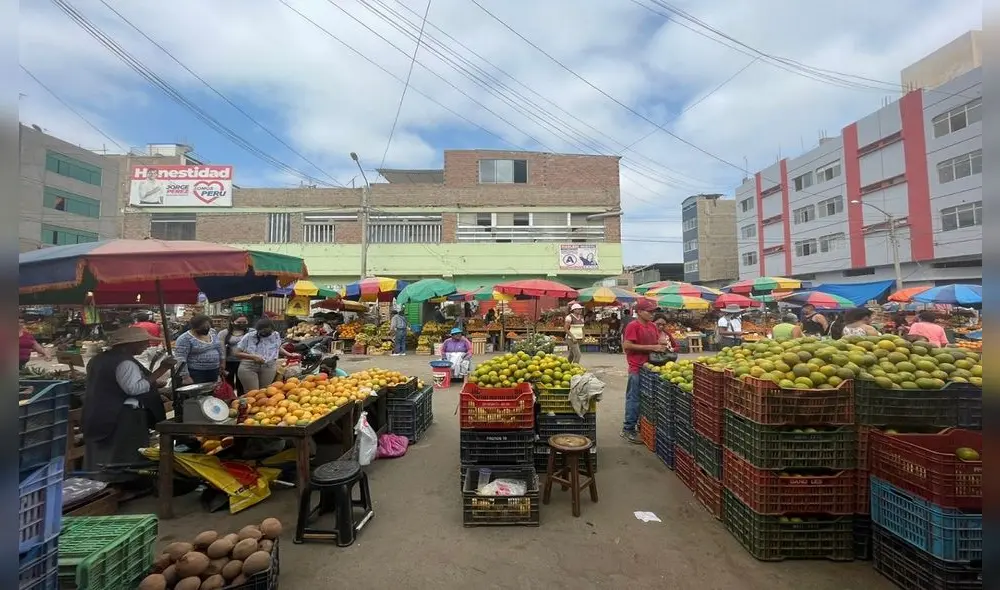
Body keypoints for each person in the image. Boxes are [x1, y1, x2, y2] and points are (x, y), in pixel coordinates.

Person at [82, 327, 175, 478]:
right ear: (130, 344)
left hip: (99, 410)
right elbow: (135, 389)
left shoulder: (98, 359)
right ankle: (121, 482)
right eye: (143, 342)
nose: (147, 345)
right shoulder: (125, 363)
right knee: (125, 451)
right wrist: (162, 370)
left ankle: (100, 478)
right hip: (122, 414)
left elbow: (110, 382)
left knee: (103, 451)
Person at [621, 298, 665, 444]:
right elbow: (627, 345)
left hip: (650, 368)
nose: (652, 314)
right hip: (636, 367)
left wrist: (661, 345)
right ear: (639, 312)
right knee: (634, 399)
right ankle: (628, 429)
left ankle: (642, 426)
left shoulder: (652, 326)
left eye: (654, 311)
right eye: (649, 311)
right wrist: (652, 348)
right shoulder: (633, 326)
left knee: (647, 400)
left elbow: (657, 343)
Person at [235, 318, 296, 391]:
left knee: (264, 392)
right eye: (262, 332)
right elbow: (237, 353)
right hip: (249, 367)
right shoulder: (249, 336)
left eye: (268, 332)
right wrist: (253, 357)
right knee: (253, 393)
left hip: (269, 366)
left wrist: (289, 354)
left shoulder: (275, 335)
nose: (265, 334)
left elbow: (276, 347)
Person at [173, 314, 222, 385]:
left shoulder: (212, 332)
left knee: (212, 392)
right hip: (196, 372)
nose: (206, 328)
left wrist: (222, 362)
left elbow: (218, 347)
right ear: (194, 327)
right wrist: (185, 376)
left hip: (214, 370)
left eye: (208, 326)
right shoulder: (184, 338)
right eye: (203, 326)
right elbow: (180, 358)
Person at [217, 316, 250, 395]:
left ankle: (242, 403)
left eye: (244, 322)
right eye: (239, 322)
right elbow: (221, 349)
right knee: (228, 384)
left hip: (245, 362)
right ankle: (230, 401)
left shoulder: (251, 332)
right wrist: (222, 363)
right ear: (232, 322)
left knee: (242, 384)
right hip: (229, 362)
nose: (241, 324)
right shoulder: (224, 333)